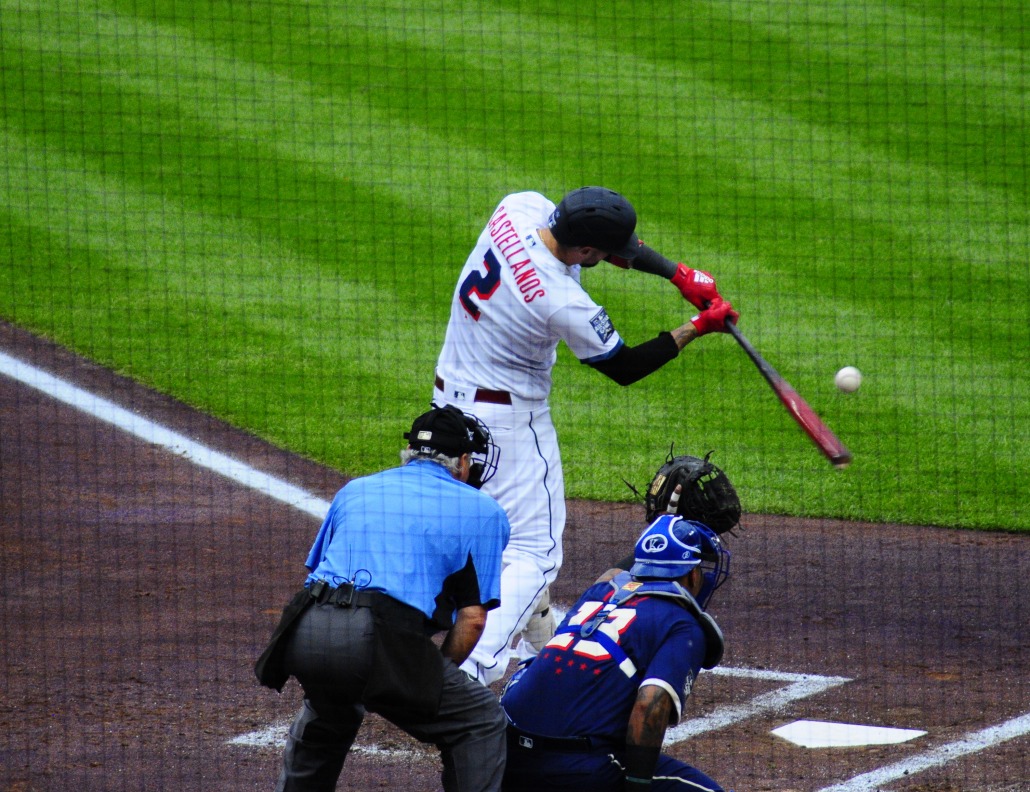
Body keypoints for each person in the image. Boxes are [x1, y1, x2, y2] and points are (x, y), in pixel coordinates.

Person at [432, 186, 739, 685]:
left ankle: (547, 648)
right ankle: (469, 671)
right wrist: (698, 326)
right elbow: (624, 367)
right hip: (506, 429)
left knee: (487, 540)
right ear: (588, 253)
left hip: (447, 407)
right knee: (535, 552)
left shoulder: (519, 207)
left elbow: (609, 246)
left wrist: (679, 275)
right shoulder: (561, 300)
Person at [255, 405, 512, 792]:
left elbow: (318, 571)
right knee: (480, 720)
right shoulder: (485, 511)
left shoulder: (355, 489)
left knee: (330, 710)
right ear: (462, 461)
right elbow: (473, 619)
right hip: (373, 637)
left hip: (304, 627)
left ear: (408, 454)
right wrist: (427, 675)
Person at [500, 514, 732, 792]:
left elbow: (615, 574)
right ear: (693, 574)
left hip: (506, 760)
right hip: (576, 772)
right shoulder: (683, 624)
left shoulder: (597, 594)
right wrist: (636, 786)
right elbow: (649, 705)